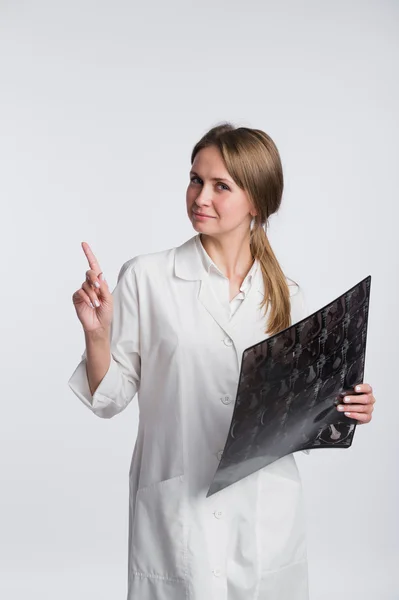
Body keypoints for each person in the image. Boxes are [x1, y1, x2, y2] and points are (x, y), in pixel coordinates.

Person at [68, 123, 376, 600]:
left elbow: (294, 415)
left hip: (265, 511)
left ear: (256, 201)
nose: (200, 196)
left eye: (220, 186)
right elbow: (109, 399)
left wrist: (344, 408)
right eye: (195, 179)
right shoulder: (148, 277)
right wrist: (97, 334)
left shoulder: (287, 296)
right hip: (177, 508)